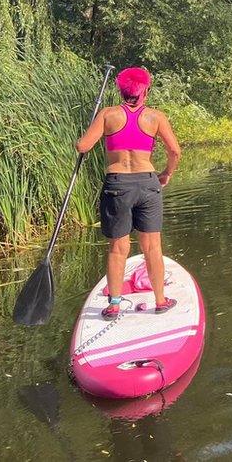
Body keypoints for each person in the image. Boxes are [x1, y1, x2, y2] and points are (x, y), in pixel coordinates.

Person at [76, 66, 181, 320]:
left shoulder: (108, 114)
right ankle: (160, 300)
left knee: (118, 247)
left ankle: (113, 305)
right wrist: (166, 173)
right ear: (145, 90)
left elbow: (82, 146)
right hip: (147, 183)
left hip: (117, 184)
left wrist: (94, 124)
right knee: (152, 246)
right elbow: (175, 151)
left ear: (121, 90)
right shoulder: (155, 117)